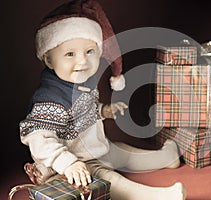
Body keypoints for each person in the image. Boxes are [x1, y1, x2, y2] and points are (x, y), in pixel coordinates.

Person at [19, 0, 186, 199]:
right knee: (108, 179)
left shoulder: (83, 83)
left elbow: (83, 109)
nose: (82, 61)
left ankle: (166, 157)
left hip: (96, 150)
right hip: (72, 164)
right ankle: (157, 196)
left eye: (89, 52)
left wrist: (103, 110)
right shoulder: (49, 100)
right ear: (49, 60)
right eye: (70, 54)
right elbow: (39, 139)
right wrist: (68, 163)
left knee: (122, 152)